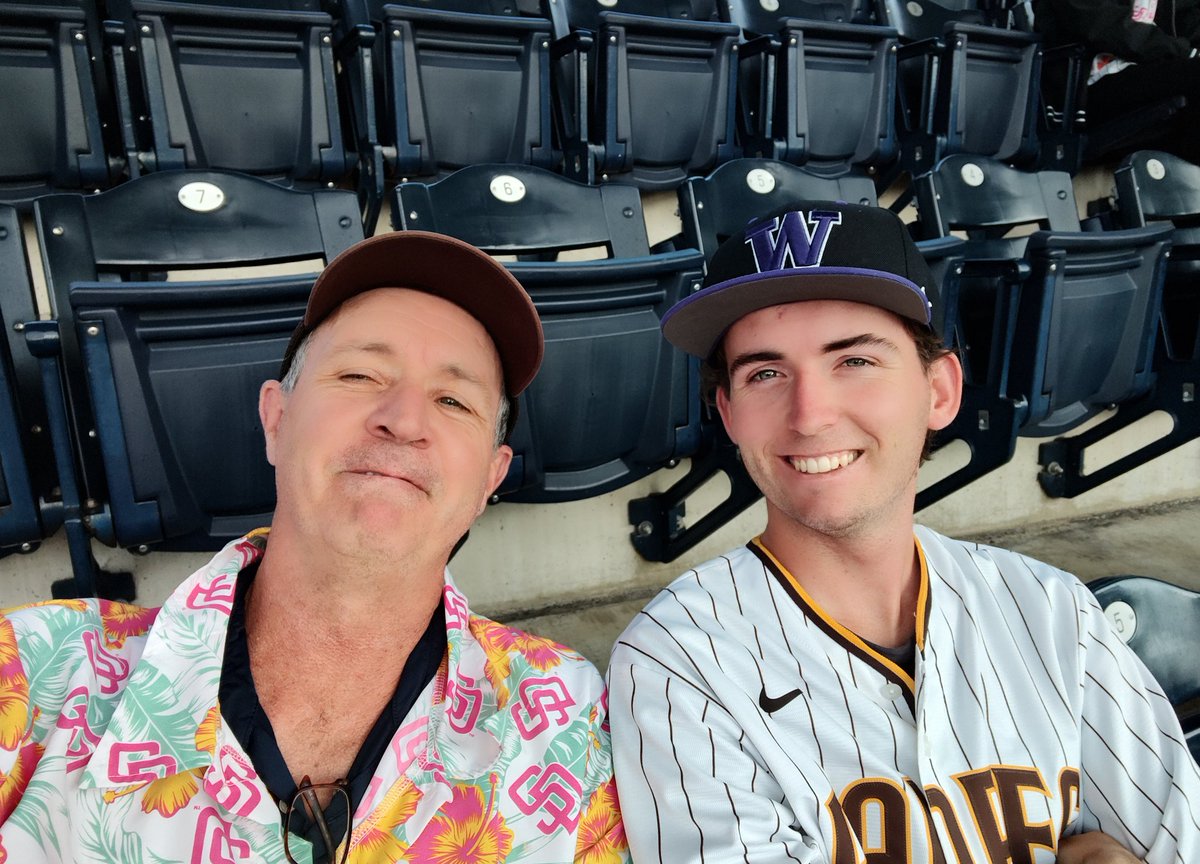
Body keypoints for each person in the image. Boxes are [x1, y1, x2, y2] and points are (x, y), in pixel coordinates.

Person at [0, 232, 628, 863]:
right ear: (276, 419)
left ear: (490, 478)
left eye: (453, 400)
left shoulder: (565, 715)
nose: (404, 420)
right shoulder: (32, 673)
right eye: (359, 374)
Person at [607, 202, 1200, 863]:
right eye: (766, 373)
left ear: (940, 391)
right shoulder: (678, 662)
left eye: (855, 360)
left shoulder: (1056, 612)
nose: (810, 414)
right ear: (728, 414)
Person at [1034, 0, 1200, 163]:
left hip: (1145, 73)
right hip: (1083, 87)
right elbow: (1100, 23)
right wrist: (1179, 51)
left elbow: (1190, 23)